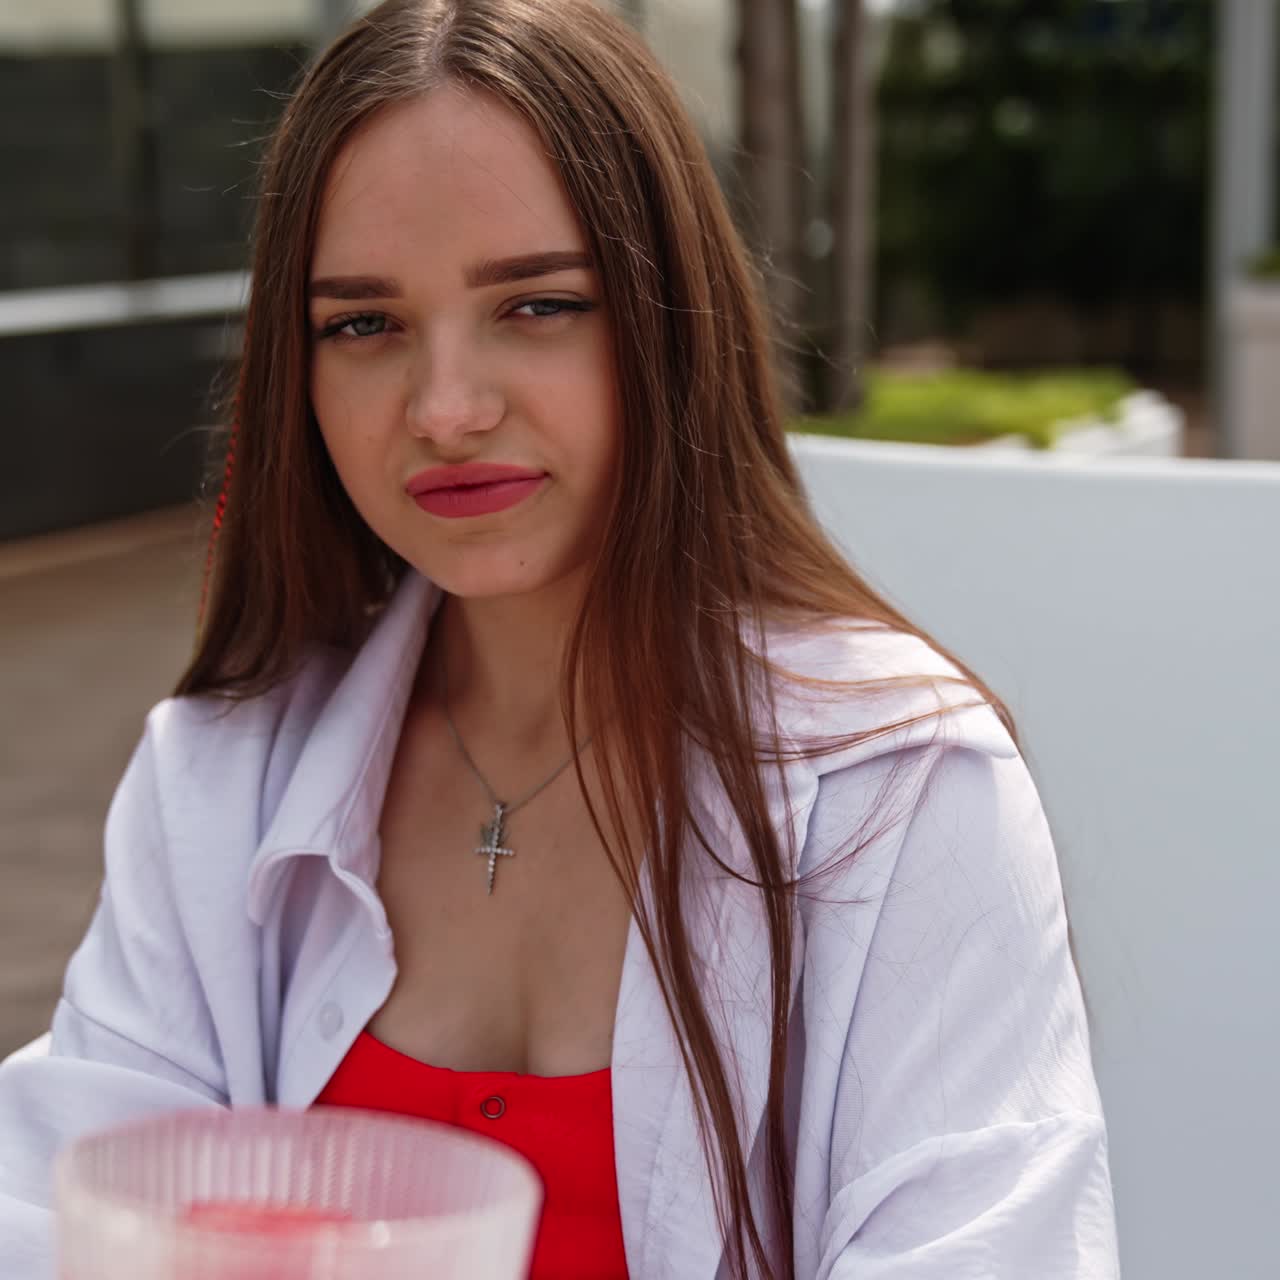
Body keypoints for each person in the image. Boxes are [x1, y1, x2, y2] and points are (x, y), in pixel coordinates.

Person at [0, 0, 1120, 1276]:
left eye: (534, 305)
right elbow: (62, 1211)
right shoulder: (225, 773)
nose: (447, 407)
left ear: (667, 322)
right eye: (361, 324)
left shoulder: (896, 784)